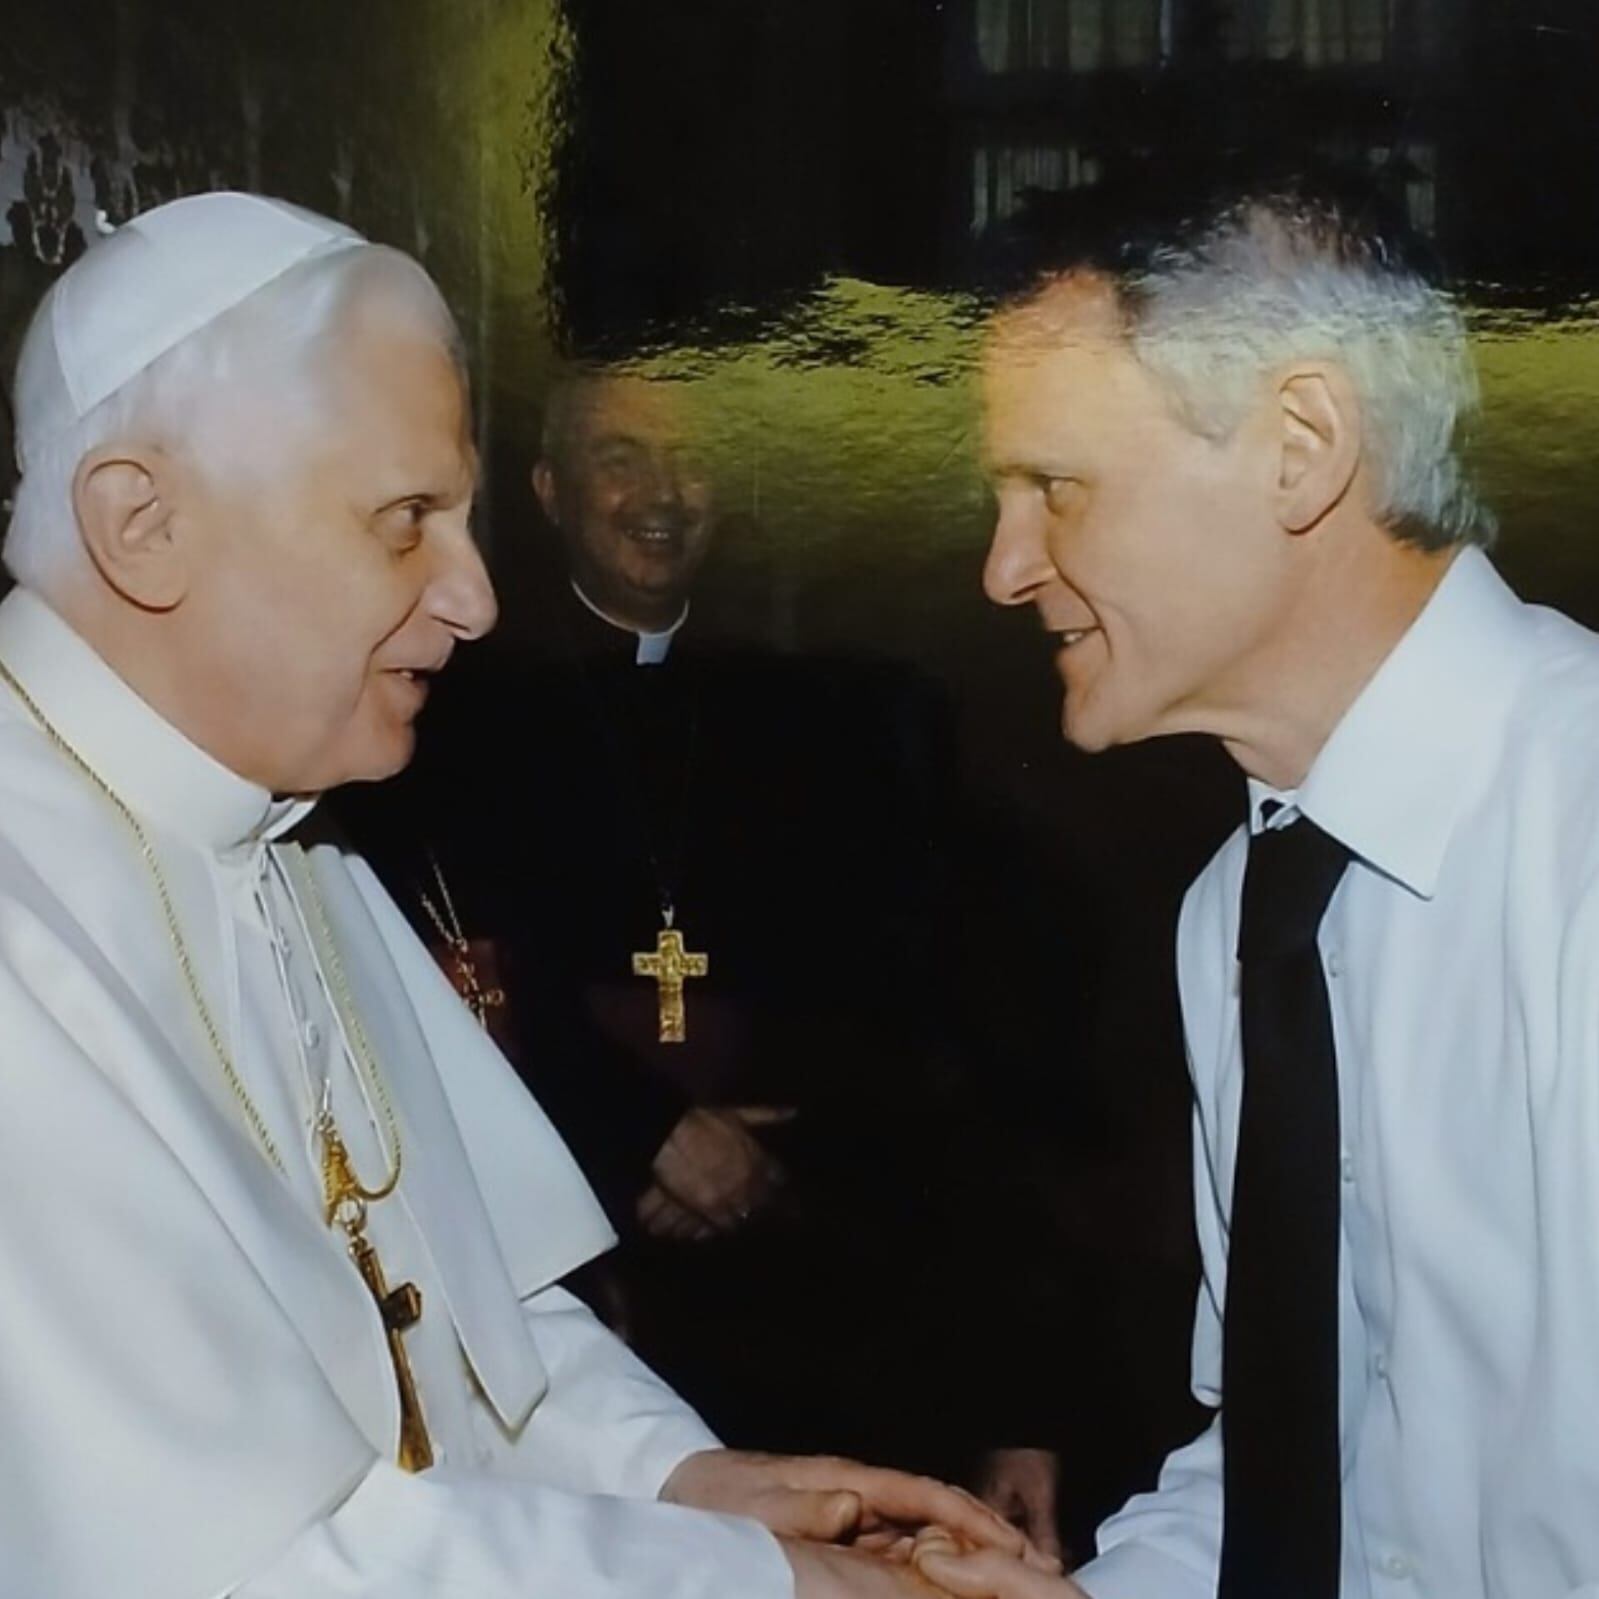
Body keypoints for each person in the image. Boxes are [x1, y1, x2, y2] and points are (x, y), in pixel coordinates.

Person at [0, 189, 1044, 1599]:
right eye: (405, 520)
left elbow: (465, 1315)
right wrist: (783, 1586)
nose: (476, 598)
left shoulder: (288, 838)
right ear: (143, 523)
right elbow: (244, 1564)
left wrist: (682, 1480)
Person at [912, 182, 1599, 1599]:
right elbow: (1290, 1473)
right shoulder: (1239, 904)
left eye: (1057, 486)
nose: (1004, 568)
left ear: (1299, 447)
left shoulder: (1578, 828)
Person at [341, 358, 1009, 1496]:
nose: (660, 492)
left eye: (688, 459)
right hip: (567, 1236)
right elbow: (435, 967)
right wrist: (643, 1132)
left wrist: (762, 1139)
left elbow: (885, 967)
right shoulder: (455, 701)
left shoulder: (814, 699)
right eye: (620, 458)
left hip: (794, 1229)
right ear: (549, 489)